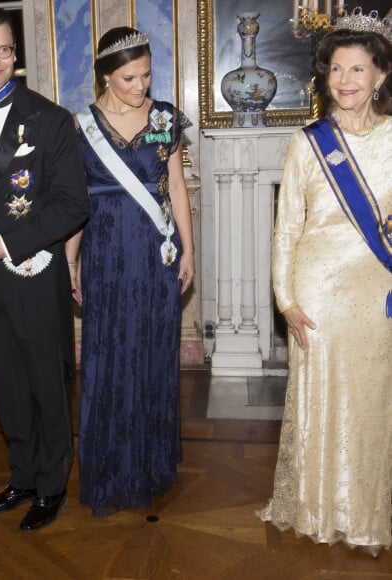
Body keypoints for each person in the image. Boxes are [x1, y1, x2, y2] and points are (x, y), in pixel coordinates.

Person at [0, 5, 89, 531]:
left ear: (16, 53)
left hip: (34, 275)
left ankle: (52, 486)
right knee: (6, 385)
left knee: (47, 387)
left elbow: (74, 205)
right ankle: (24, 475)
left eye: (3, 49)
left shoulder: (50, 119)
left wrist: (5, 244)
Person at [257, 15, 392, 556]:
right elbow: (286, 226)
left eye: (358, 68)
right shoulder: (308, 142)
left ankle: (366, 510)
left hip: (377, 289)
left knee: (373, 402)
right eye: (337, 69)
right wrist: (286, 299)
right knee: (321, 400)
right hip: (317, 293)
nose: (346, 79)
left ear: (380, 75)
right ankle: (318, 507)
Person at [65, 27, 195, 516]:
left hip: (155, 251)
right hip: (103, 250)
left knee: (152, 351)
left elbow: (177, 187)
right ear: (104, 76)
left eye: (146, 75)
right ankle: (110, 468)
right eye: (128, 78)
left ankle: (151, 463)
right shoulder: (80, 126)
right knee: (108, 354)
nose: (140, 86)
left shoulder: (164, 119)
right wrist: (70, 260)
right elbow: (75, 201)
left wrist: (189, 249)